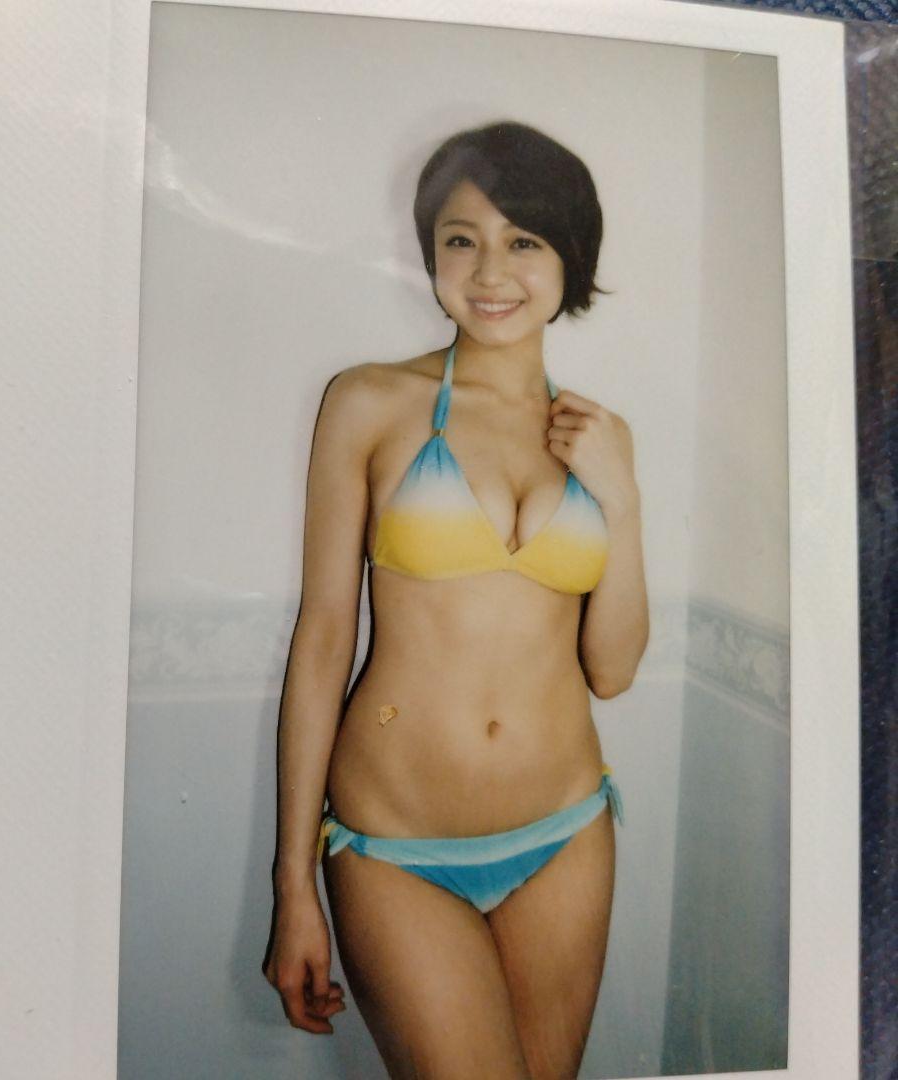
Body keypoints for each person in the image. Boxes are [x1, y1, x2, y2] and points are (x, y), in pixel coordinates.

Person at [263, 120, 649, 1080]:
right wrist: (292, 883)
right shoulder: (368, 403)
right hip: (395, 847)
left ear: (571, 258)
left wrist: (624, 499)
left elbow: (612, 670)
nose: (490, 271)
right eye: (462, 240)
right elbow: (323, 641)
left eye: (525, 241)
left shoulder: (599, 435)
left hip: (566, 832)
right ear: (430, 253)